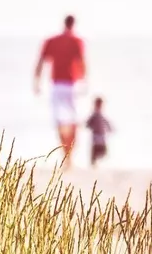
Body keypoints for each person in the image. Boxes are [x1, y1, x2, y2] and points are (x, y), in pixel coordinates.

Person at [34, 15, 86, 170]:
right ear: (73, 24)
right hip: (71, 85)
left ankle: (66, 155)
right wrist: (85, 81)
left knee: (62, 122)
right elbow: (82, 62)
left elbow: (40, 62)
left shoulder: (52, 41)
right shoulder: (77, 41)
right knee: (73, 122)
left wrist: (36, 82)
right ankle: (68, 156)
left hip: (57, 86)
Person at [86, 96, 113, 167]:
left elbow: (106, 122)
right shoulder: (94, 115)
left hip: (101, 136)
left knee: (103, 150)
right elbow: (88, 123)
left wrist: (110, 128)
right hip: (96, 135)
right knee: (95, 149)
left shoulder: (101, 115)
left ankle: (96, 161)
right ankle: (94, 162)